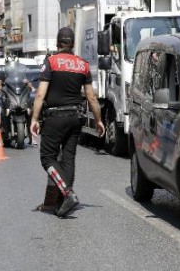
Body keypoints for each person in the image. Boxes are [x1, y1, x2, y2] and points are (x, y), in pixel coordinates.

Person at [30, 27, 106, 218]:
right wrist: (98, 120)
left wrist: (34, 118)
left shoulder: (51, 62)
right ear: (72, 44)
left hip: (55, 118)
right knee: (68, 159)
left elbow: (40, 94)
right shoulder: (83, 65)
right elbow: (91, 97)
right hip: (75, 118)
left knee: (47, 158)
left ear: (58, 43)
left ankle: (67, 193)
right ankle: (63, 202)